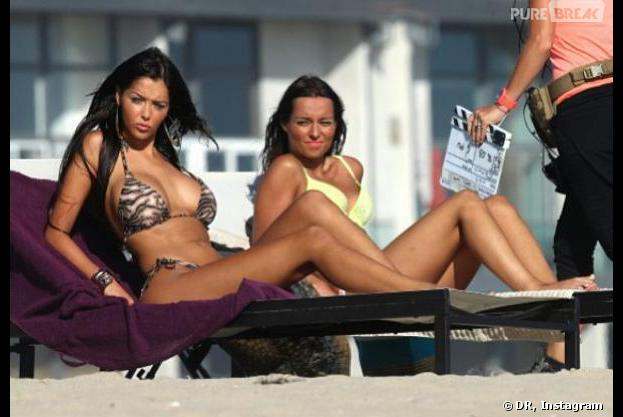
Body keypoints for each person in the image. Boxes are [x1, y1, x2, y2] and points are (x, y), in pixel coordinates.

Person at [43, 47, 457, 314]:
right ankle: (426, 298)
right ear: (119, 96)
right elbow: (55, 232)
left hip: (220, 269)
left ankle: (415, 292)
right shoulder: (99, 146)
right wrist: (106, 282)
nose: (146, 114)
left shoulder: (169, 160)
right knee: (313, 240)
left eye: (158, 104)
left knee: (315, 206)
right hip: (172, 284)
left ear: (169, 109)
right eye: (137, 100)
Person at [252, 75, 597, 296]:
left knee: (497, 206)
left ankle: (553, 299)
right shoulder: (286, 170)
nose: (316, 133)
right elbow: (264, 253)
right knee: (465, 202)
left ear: (336, 125)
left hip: (385, 273)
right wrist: (313, 283)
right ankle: (535, 287)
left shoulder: (350, 167)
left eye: (325, 122)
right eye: (304, 122)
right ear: (285, 125)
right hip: (350, 286)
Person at [467, 0, 612, 371]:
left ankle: (558, 362)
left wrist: (502, 105)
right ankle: (558, 363)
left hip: (588, 106)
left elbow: (541, 41)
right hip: (600, 104)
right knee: (571, 242)